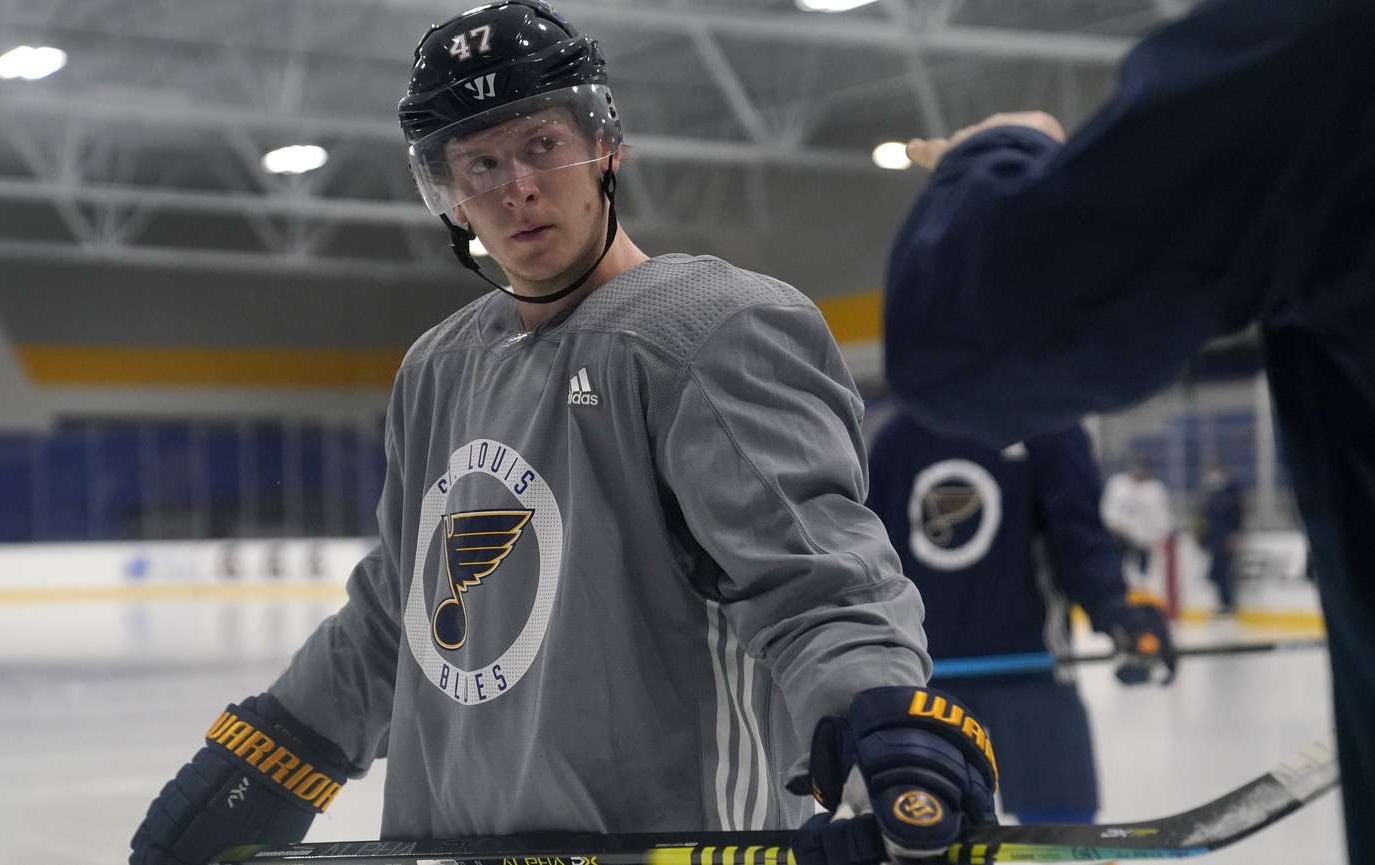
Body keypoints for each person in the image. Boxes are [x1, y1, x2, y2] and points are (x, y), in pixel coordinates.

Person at [129, 4, 999, 865]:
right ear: (451, 197)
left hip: (663, 841)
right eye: (480, 164)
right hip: (444, 843)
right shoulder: (439, 365)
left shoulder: (712, 331)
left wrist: (883, 718)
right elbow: (400, 613)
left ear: (607, 146)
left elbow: (818, 584)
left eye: (542, 145)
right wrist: (269, 757)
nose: (518, 189)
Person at [880, 1, 1374, 860]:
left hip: (1026, 677)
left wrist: (988, 156)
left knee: (1055, 825)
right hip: (930, 678)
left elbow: (970, 334)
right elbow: (868, 548)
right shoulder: (889, 448)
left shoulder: (1325, 48)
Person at [867, 411, 1176, 824]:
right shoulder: (896, 442)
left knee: (1060, 835)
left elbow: (1080, 545)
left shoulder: (1048, 426)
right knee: (931, 840)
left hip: (1032, 676)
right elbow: (869, 563)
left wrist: (1121, 613)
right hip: (924, 681)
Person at [1099, 457, 1173, 595]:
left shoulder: (1155, 490)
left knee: (1142, 576)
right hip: (1118, 539)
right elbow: (1107, 511)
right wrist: (1117, 529)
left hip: (1142, 543)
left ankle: (1140, 599)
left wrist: (1150, 538)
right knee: (1117, 572)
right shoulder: (1118, 484)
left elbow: (1162, 520)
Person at [1200, 459, 1245, 615]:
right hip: (1214, 538)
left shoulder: (1232, 492)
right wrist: (1203, 536)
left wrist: (1235, 534)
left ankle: (1228, 603)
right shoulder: (1211, 494)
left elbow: (1237, 515)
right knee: (1216, 573)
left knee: (1224, 572)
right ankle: (1223, 602)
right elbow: (1204, 518)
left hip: (1226, 537)